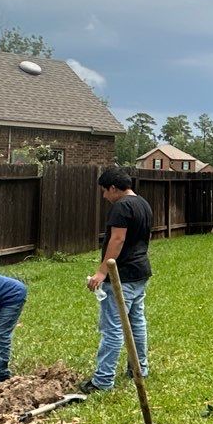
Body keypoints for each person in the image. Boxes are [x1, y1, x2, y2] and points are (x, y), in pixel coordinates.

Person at [79, 166, 152, 394]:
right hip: (140, 272)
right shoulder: (143, 203)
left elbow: (117, 239)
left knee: (113, 328)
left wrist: (102, 272)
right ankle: (139, 369)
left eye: (104, 191)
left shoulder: (121, 207)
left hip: (122, 276)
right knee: (136, 323)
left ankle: (103, 381)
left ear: (113, 188)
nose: (104, 196)